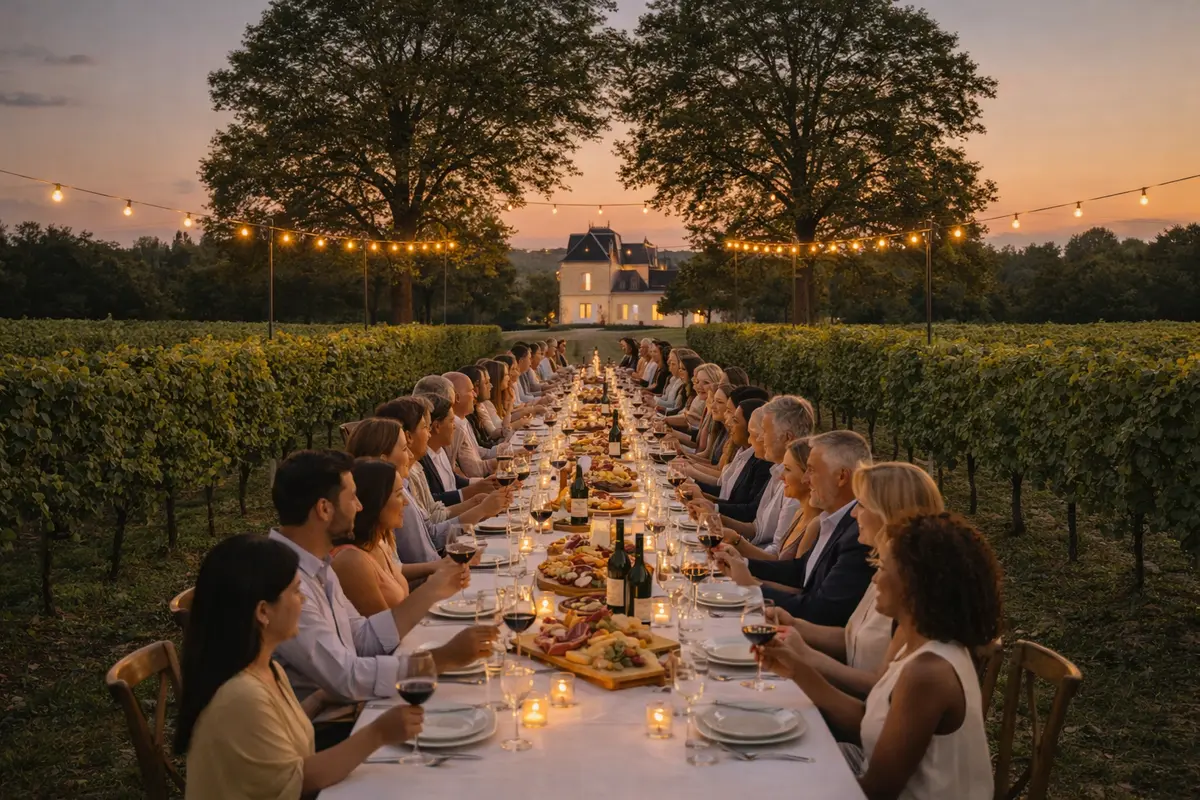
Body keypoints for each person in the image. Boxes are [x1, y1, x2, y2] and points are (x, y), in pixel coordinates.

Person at [757, 512, 1002, 800]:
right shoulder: (916, 641)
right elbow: (869, 719)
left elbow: (877, 791)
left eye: (883, 568)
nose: (874, 579)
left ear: (915, 585)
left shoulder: (928, 673)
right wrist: (798, 670)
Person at [176, 534, 426, 798]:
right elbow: (300, 779)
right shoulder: (240, 696)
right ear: (263, 612)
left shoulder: (266, 669)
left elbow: (281, 736)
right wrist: (378, 733)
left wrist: (318, 699)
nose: (304, 601)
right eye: (296, 592)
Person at [268, 450, 497, 704]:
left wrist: (434, 589)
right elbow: (347, 679)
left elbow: (364, 638)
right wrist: (444, 658)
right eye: (352, 498)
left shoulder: (318, 564)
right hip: (327, 727)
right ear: (324, 509)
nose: (360, 506)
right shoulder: (281, 582)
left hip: (354, 706)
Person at [759, 462, 946, 696]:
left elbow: (878, 688)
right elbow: (853, 637)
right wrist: (794, 625)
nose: (853, 513)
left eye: (862, 505)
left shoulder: (907, 588)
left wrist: (806, 659)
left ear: (890, 514)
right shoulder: (882, 566)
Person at [737, 430, 876, 625]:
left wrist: (751, 588)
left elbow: (820, 610)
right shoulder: (834, 518)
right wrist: (743, 564)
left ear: (841, 477)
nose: (805, 479)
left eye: (811, 470)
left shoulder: (859, 535)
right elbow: (801, 569)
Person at [699, 395, 813, 547]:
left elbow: (777, 556)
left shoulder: (796, 487)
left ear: (788, 438)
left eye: (764, 431)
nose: (759, 438)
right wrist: (712, 515)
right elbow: (756, 529)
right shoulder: (776, 471)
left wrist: (736, 547)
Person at [683, 400, 773, 523]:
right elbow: (726, 491)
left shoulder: (763, 463)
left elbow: (749, 513)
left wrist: (711, 505)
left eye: (734, 419)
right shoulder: (742, 450)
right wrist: (696, 489)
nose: (728, 421)